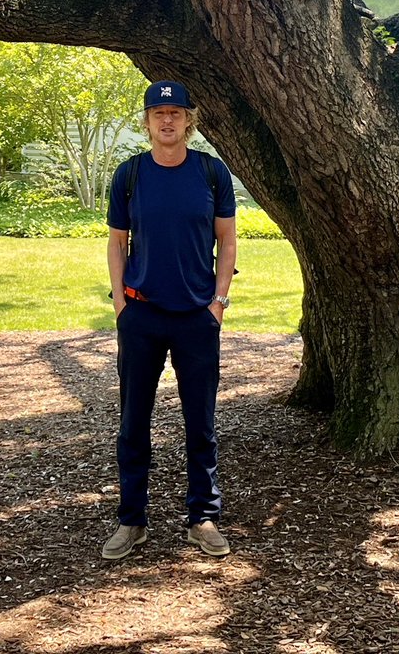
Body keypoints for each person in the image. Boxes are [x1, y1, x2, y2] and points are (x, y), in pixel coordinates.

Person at [101, 80, 237, 560]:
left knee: (200, 422)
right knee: (133, 421)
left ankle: (202, 517)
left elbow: (227, 242)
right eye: (159, 114)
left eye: (176, 113)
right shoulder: (130, 174)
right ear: (147, 122)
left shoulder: (211, 173)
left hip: (197, 318)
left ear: (188, 120)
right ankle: (132, 520)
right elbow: (118, 243)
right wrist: (121, 305)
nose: (167, 121)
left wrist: (218, 303)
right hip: (141, 315)